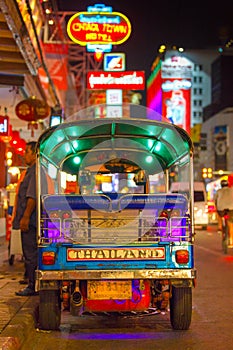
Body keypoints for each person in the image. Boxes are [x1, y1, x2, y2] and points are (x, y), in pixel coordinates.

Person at [13, 141, 38, 296]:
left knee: (30, 254)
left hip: (31, 221)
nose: (24, 155)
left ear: (34, 153)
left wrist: (26, 217)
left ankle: (32, 286)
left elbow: (32, 197)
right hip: (30, 219)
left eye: (26, 152)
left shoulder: (35, 171)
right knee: (30, 253)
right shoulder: (31, 171)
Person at [214, 178, 233, 246]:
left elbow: (215, 200)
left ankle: (220, 226)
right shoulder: (231, 190)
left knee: (219, 215)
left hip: (221, 209)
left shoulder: (218, 191)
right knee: (230, 223)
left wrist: (216, 207)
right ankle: (231, 240)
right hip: (231, 209)